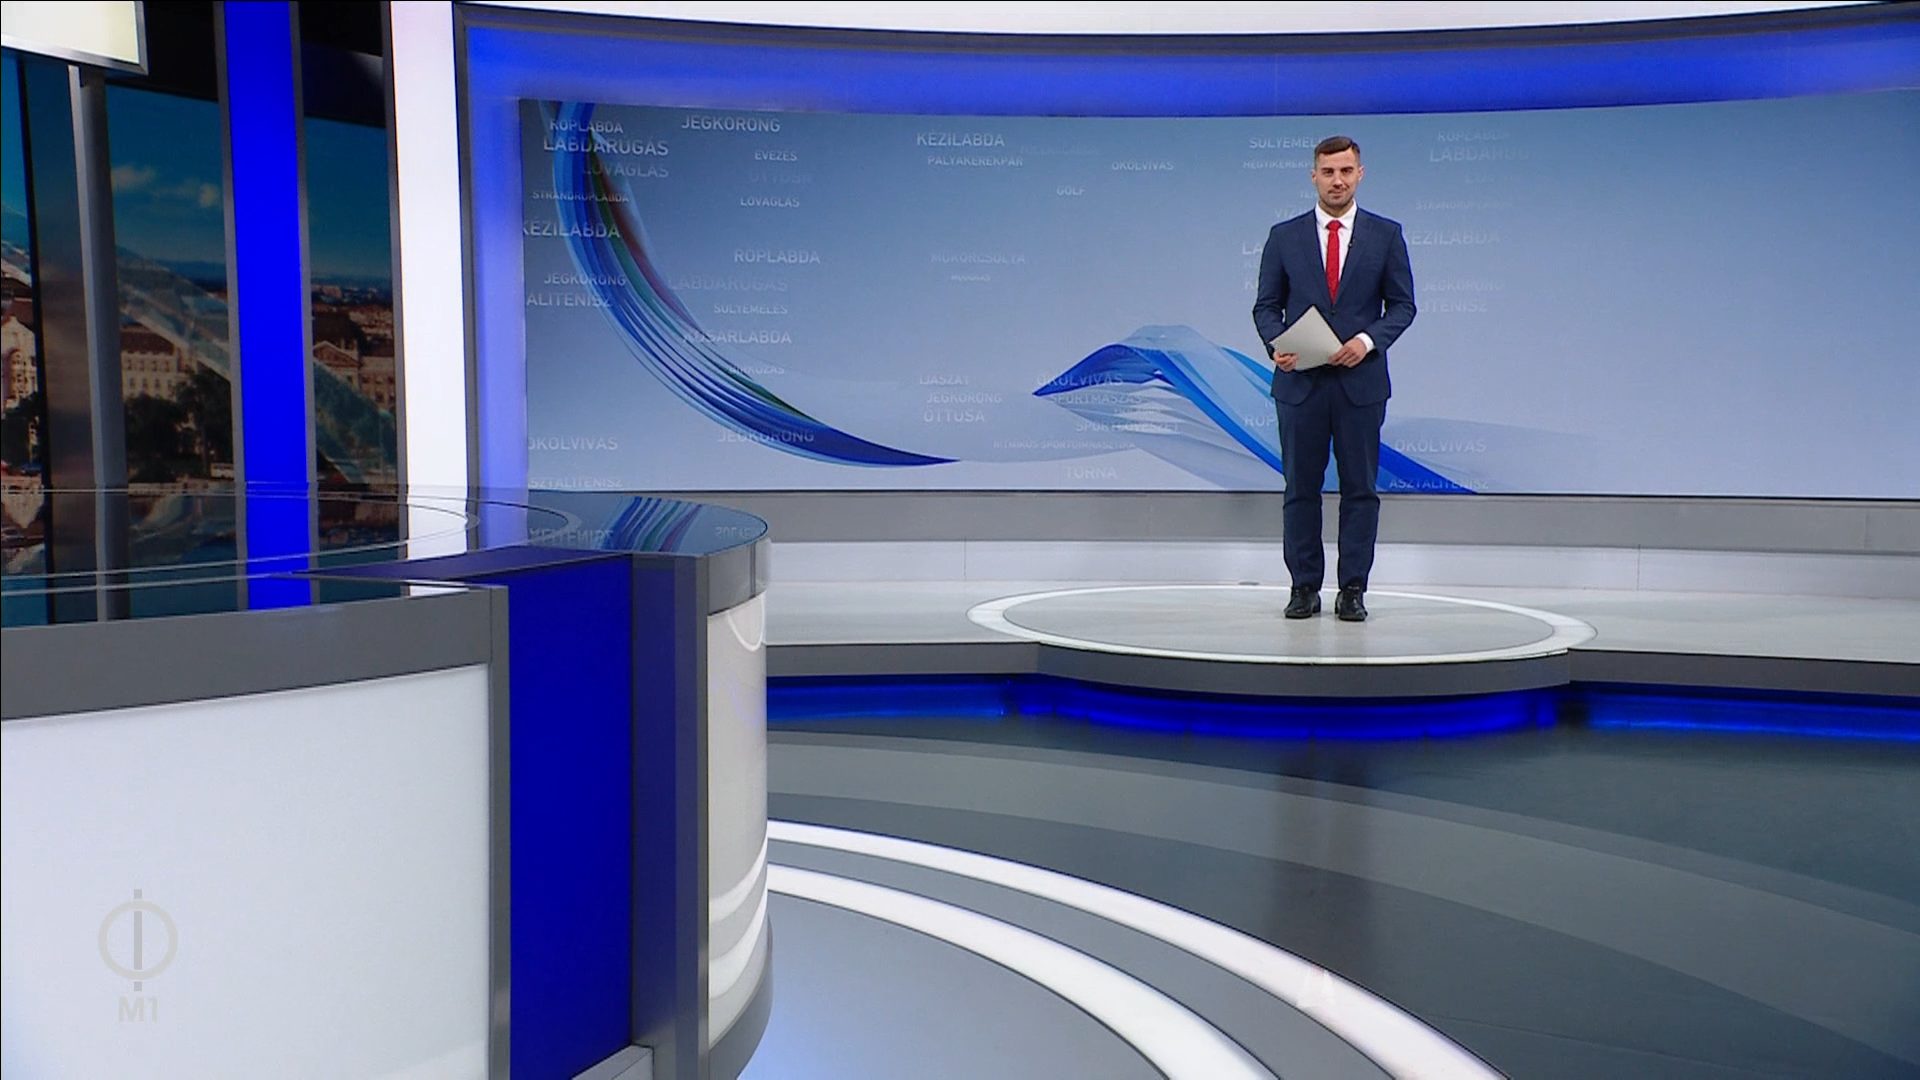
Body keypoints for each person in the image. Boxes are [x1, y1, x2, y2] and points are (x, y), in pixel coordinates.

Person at [1252, 135, 1416, 622]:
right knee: (1300, 489)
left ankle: (1353, 589)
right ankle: (1303, 587)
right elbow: (1266, 307)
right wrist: (1277, 344)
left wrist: (1366, 341)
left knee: (1360, 489)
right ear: (1314, 177)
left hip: (1360, 384)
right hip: (1300, 385)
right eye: (1328, 172)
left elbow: (1402, 306)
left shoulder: (1386, 235)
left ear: (1360, 174)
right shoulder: (1284, 236)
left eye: (1346, 171)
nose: (1337, 181)